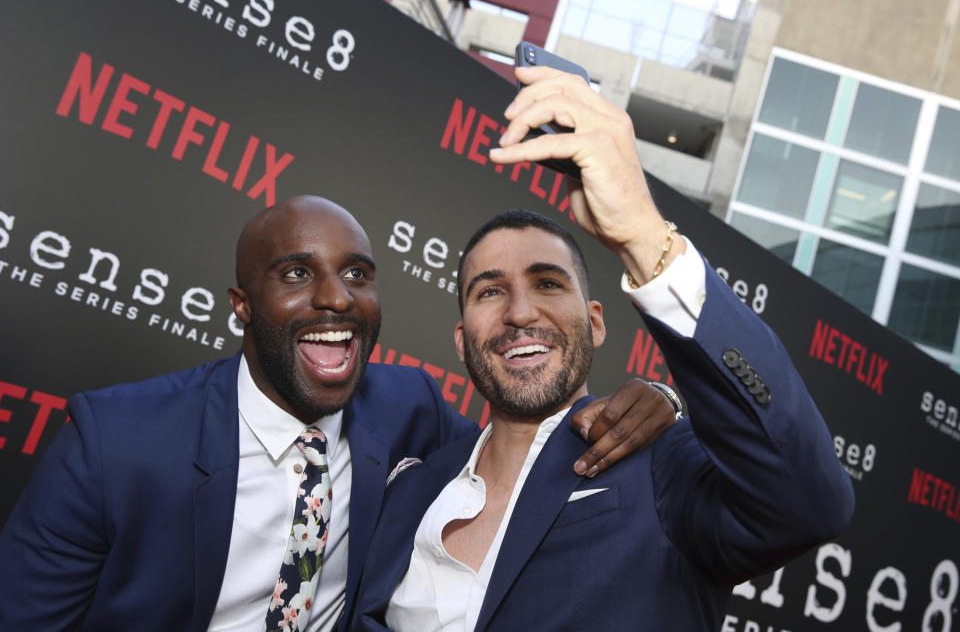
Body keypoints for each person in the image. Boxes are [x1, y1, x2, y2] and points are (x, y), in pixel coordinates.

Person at [0, 195, 678, 631]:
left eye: (358, 274)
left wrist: (659, 400)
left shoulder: (408, 410)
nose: (337, 299)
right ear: (241, 304)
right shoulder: (114, 441)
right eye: (297, 273)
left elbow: (522, 446)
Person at [349, 66, 856, 631]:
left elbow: (809, 502)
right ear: (463, 342)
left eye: (548, 283)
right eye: (490, 291)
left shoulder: (664, 465)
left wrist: (641, 233)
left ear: (595, 323)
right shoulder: (411, 484)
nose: (520, 313)